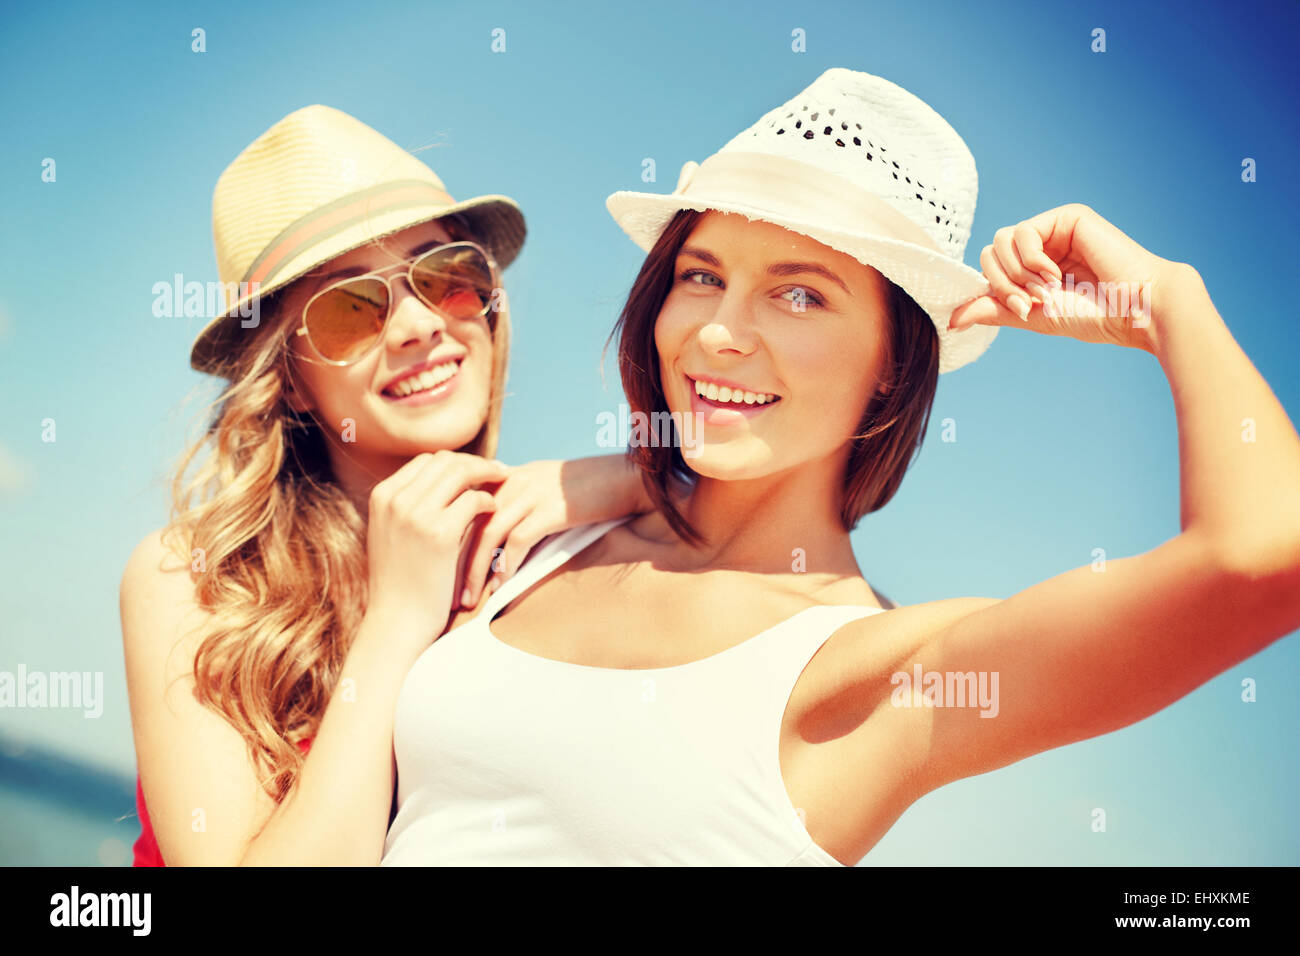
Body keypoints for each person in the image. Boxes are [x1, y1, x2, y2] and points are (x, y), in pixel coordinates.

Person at [379, 68, 1300, 865]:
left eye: (799, 294)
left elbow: (1264, 557)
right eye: (701, 276)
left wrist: (1171, 306)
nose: (716, 332)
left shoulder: (877, 675)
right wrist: (625, 476)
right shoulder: (537, 534)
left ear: (893, 363)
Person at [120, 105, 648, 866]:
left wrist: (635, 476)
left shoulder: (555, 553)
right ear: (292, 384)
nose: (418, 326)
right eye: (350, 308)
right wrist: (398, 618)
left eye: (446, 277)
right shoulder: (198, 582)